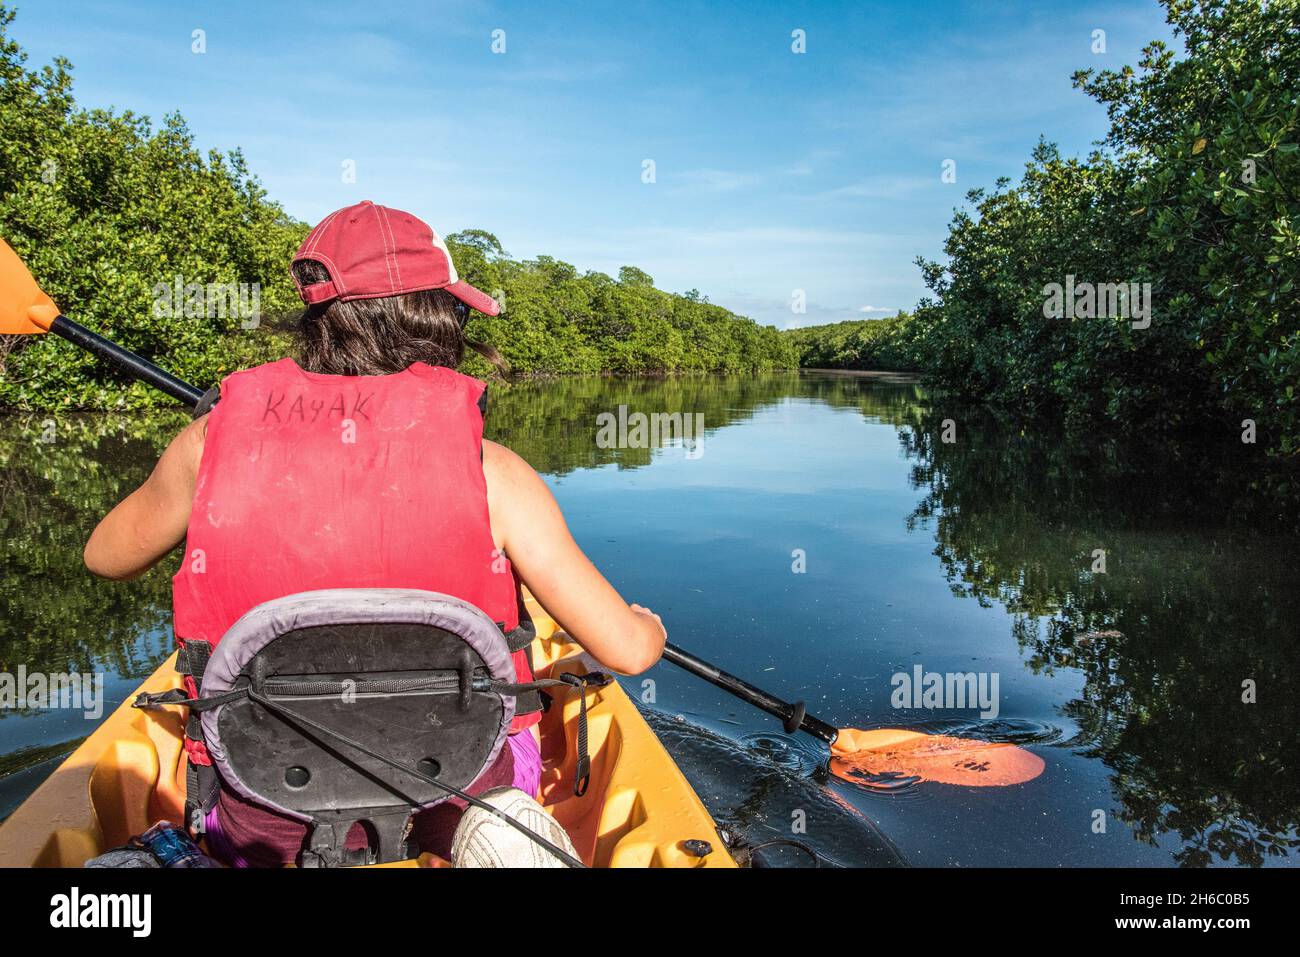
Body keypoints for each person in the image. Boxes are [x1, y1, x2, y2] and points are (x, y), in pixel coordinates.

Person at [83, 200, 667, 866]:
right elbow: (625, 650)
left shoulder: (206, 447)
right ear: (433, 317)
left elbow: (103, 556)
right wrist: (647, 626)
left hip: (264, 817)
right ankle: (499, 826)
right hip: (459, 794)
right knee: (495, 775)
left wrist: (209, 444)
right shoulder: (493, 473)